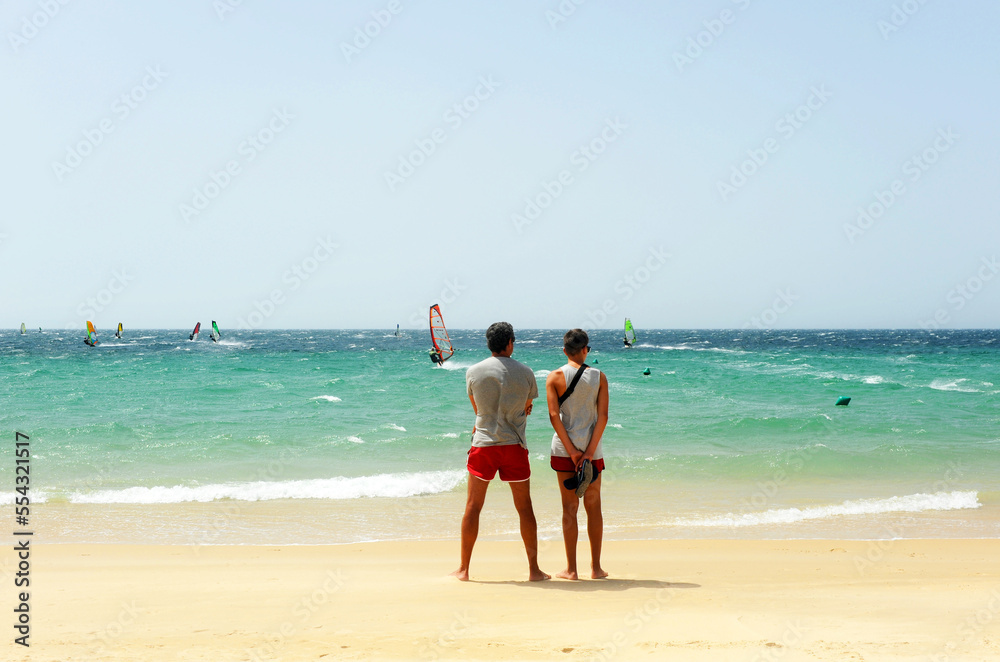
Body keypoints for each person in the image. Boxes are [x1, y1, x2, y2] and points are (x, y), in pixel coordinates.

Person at [451, 322, 549, 582]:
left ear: (489, 344)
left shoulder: (473, 371)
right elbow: (527, 406)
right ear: (510, 343)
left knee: (473, 506)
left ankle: (464, 569)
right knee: (524, 508)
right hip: (514, 445)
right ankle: (534, 570)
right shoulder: (526, 372)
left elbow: (478, 409)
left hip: (484, 445)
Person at [546, 328, 609, 580]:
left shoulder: (554, 377)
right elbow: (603, 417)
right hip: (593, 451)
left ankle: (571, 570)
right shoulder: (599, 377)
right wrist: (589, 453)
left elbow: (554, 416)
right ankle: (596, 568)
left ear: (564, 350)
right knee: (594, 507)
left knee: (569, 508)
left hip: (564, 451)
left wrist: (572, 452)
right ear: (585, 350)